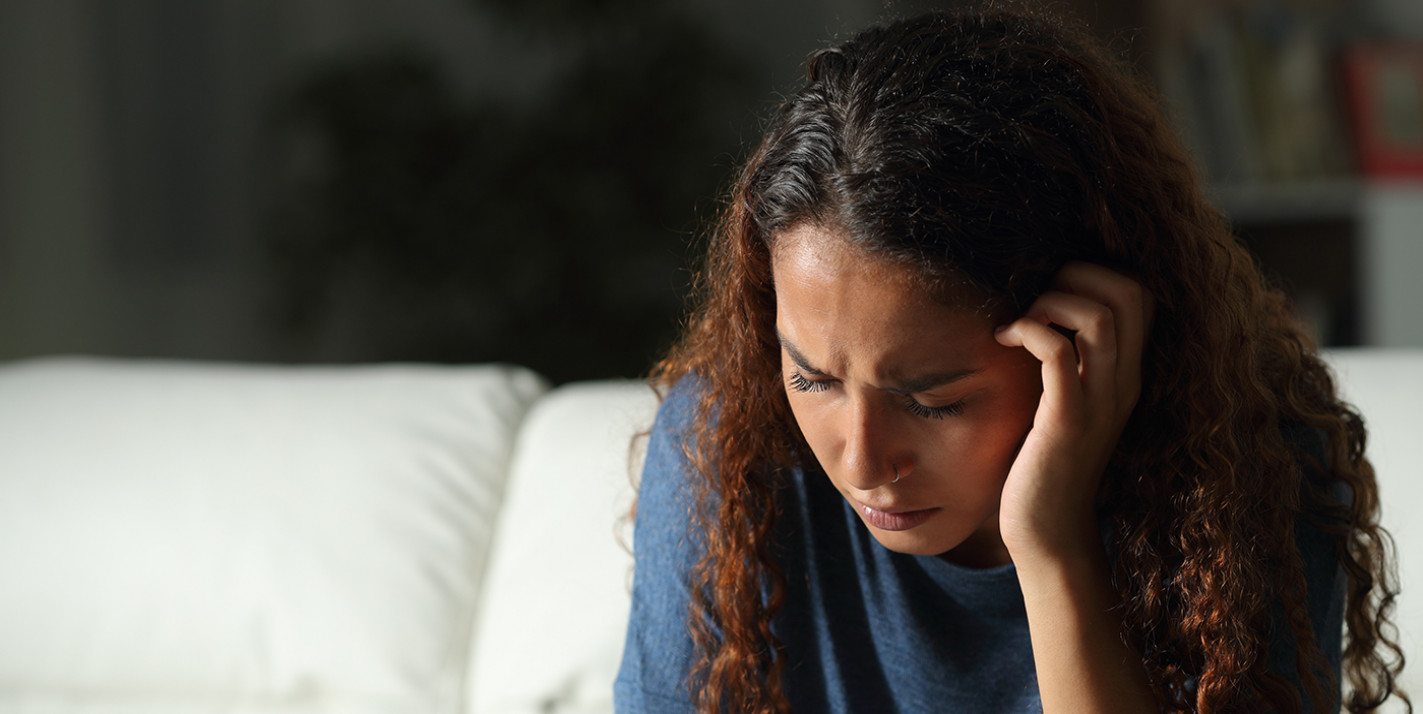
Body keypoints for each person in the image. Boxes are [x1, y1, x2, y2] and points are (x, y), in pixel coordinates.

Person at [614, 7, 1406, 713]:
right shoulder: (722, 446)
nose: (862, 461)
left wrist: (1051, 546)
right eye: (812, 378)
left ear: (1075, 334)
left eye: (931, 400)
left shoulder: (1247, 467)